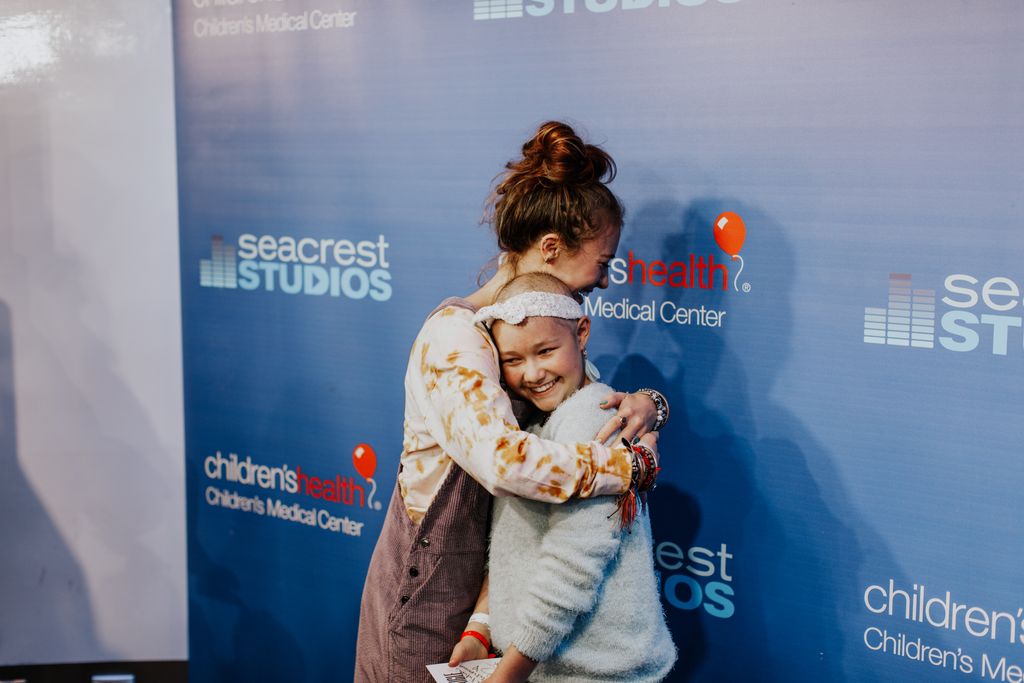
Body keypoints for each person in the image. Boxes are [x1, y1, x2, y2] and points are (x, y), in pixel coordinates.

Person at [355, 121, 670, 682]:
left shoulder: (541, 333)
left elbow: (586, 409)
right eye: (602, 262)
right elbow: (505, 463)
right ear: (551, 248)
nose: (604, 281)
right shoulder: (454, 338)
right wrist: (627, 467)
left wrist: (650, 404)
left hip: (491, 605)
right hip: (424, 599)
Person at [471, 272, 675, 682]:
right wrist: (480, 627)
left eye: (546, 351)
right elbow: (515, 542)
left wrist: (509, 673)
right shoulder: (530, 423)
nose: (532, 373)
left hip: (597, 672)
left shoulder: (591, 417)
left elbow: (572, 565)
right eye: (513, 360)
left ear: (581, 333)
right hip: (549, 666)